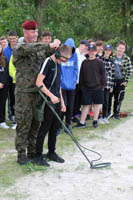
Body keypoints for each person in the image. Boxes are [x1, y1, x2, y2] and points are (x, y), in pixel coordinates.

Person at [12, 20, 61, 165]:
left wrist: (58, 45)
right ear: (25, 32)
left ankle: (33, 153)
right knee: (23, 124)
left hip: (38, 93)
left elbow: (52, 52)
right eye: (32, 32)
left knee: (36, 124)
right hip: (24, 94)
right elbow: (31, 48)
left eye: (36, 32)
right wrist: (48, 45)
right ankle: (21, 155)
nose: (35, 34)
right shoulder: (19, 47)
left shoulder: (40, 49)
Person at [35, 45, 72, 166]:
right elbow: (38, 83)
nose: (63, 62)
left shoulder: (58, 63)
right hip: (47, 101)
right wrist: (51, 96)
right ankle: (38, 156)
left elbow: (58, 84)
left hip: (56, 100)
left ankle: (51, 152)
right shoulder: (48, 62)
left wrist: (62, 101)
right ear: (57, 54)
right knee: (44, 128)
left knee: (55, 128)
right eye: (63, 59)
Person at [73, 44, 106, 128]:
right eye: (90, 51)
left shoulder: (100, 62)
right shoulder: (85, 62)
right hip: (86, 88)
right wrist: (82, 87)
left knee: (97, 105)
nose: (91, 53)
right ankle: (82, 122)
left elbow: (103, 75)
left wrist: (102, 86)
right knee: (86, 105)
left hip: (97, 87)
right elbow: (81, 76)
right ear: (88, 51)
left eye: (93, 51)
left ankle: (95, 121)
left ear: (95, 52)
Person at [108, 40, 131, 120]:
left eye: (122, 48)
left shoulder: (126, 58)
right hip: (111, 80)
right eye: (120, 47)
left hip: (120, 81)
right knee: (109, 97)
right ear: (117, 47)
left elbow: (129, 71)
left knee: (118, 98)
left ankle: (116, 113)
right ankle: (107, 113)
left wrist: (126, 81)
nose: (120, 49)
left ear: (124, 49)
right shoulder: (112, 56)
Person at [59, 38, 78, 132]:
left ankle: (67, 125)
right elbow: (60, 70)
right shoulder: (61, 55)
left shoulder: (75, 56)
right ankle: (59, 126)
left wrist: (74, 80)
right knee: (63, 106)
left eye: (71, 48)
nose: (69, 49)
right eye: (68, 47)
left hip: (72, 86)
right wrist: (62, 81)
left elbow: (76, 70)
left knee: (70, 106)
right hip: (62, 86)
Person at [3, 30, 18, 126]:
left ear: (17, 38)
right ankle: (12, 115)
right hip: (8, 78)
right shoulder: (5, 50)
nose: (12, 40)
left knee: (18, 99)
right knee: (11, 98)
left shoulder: (20, 48)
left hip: (19, 78)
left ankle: (18, 115)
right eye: (10, 38)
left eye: (14, 38)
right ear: (8, 38)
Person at [72, 40, 89, 123]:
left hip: (80, 82)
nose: (86, 48)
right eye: (85, 46)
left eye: (87, 47)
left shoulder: (84, 57)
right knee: (72, 100)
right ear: (81, 45)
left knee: (78, 101)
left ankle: (74, 115)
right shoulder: (73, 53)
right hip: (72, 81)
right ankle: (70, 115)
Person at [98, 44, 114, 124]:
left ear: (111, 52)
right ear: (104, 50)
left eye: (109, 50)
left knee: (106, 101)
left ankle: (104, 116)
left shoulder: (111, 61)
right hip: (100, 85)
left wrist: (111, 86)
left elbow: (112, 74)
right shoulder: (100, 59)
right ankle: (97, 117)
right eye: (106, 50)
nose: (107, 52)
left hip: (108, 85)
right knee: (98, 101)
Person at [0, 43, 9, 129]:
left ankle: (2, 121)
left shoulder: (5, 60)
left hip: (3, 87)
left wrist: (2, 83)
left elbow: (6, 73)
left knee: (2, 104)